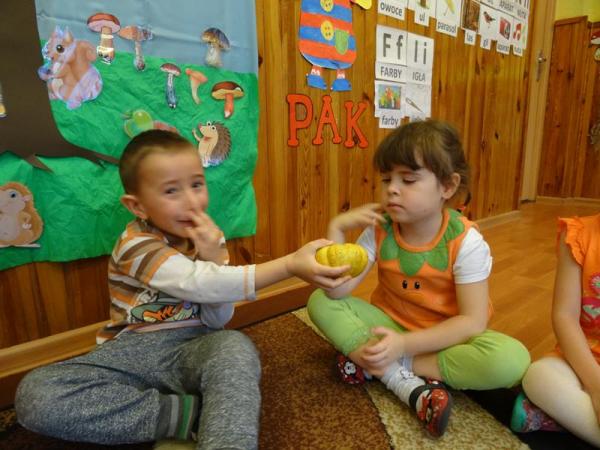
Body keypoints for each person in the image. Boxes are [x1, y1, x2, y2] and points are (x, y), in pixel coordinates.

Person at [15, 130, 351, 450]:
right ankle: (190, 415)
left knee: (235, 346)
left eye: (197, 184)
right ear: (137, 206)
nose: (191, 201)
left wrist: (215, 258)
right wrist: (289, 265)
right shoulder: (135, 244)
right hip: (132, 351)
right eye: (171, 191)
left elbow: (218, 319)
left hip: (194, 348)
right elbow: (195, 282)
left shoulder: (206, 240)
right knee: (36, 395)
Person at [307, 120, 530, 438]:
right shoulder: (379, 229)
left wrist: (403, 347)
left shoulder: (466, 242)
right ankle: (397, 370)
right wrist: (337, 228)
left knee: (510, 360)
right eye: (386, 179)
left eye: (408, 179)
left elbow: (472, 321)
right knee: (319, 300)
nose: (392, 189)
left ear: (448, 187)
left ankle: (386, 366)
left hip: (446, 339)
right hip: (389, 326)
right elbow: (336, 292)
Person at [511, 213, 600, 446]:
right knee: (539, 378)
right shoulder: (578, 235)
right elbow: (565, 316)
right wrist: (596, 386)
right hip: (582, 357)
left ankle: (565, 418)